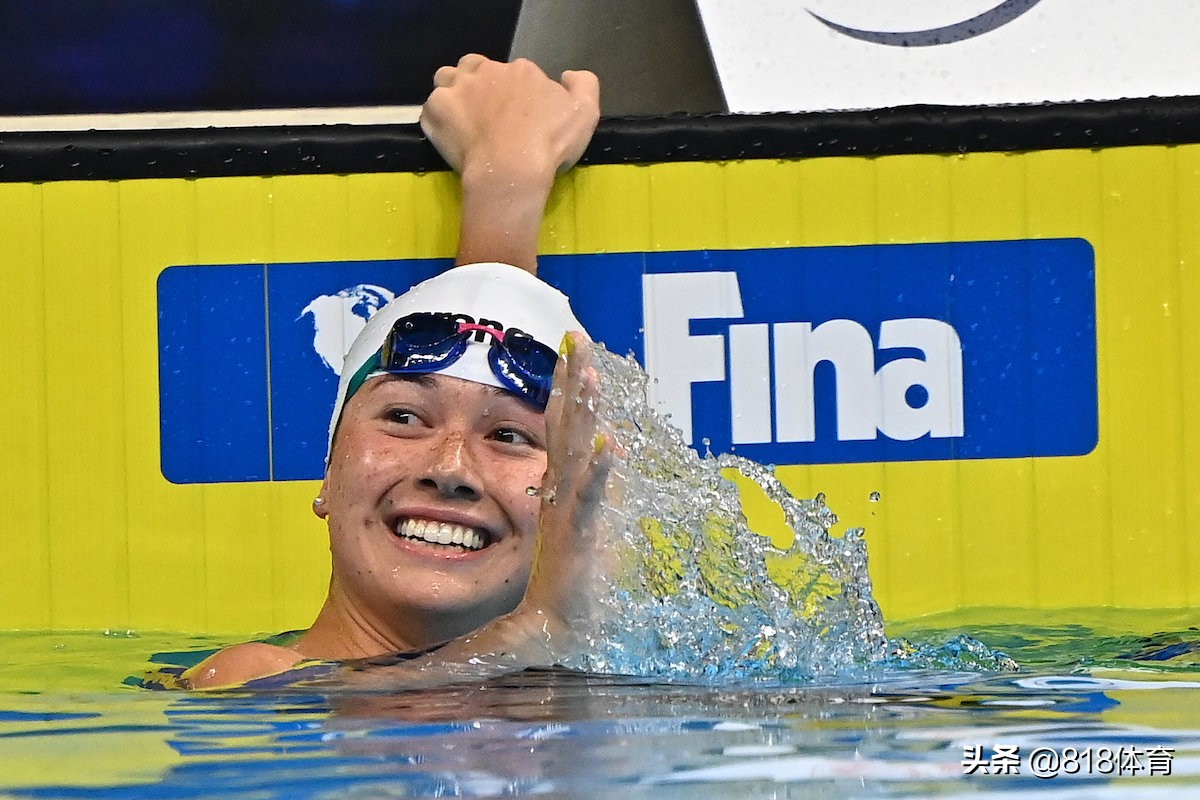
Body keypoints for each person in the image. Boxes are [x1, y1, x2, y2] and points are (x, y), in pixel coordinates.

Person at [180, 55, 610, 689]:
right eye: (404, 417)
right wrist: (538, 628)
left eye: (511, 437)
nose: (451, 470)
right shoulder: (247, 679)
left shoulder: (573, 666)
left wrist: (506, 187)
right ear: (329, 470)